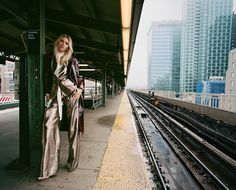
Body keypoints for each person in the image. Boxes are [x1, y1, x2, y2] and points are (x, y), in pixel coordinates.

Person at [38, 34, 84, 180]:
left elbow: (79, 78)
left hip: (72, 96)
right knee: (48, 127)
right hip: (54, 96)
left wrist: (80, 90)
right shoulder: (48, 58)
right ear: (57, 42)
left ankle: (73, 163)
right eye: (62, 41)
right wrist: (46, 92)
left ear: (69, 46)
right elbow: (45, 76)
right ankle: (48, 169)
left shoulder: (72, 60)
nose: (63, 44)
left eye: (66, 43)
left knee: (73, 130)